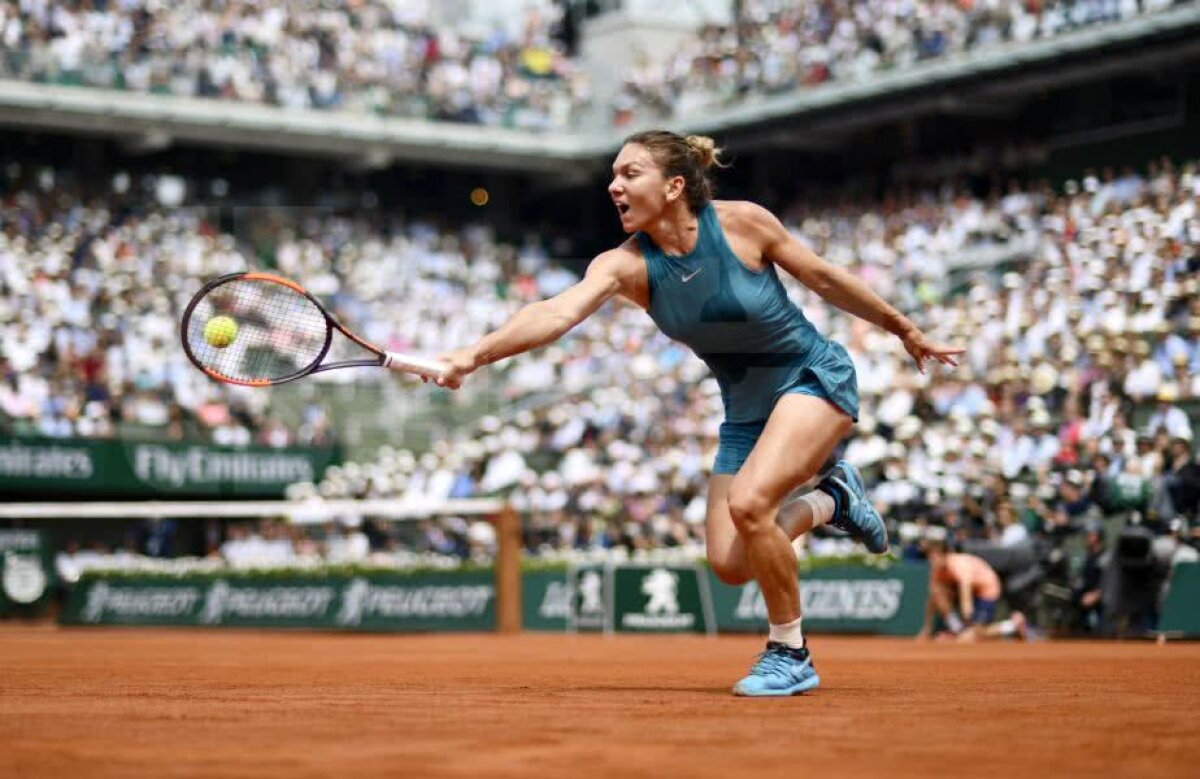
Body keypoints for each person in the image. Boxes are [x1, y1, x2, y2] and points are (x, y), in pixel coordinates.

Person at [434, 130, 962, 696]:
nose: (613, 185)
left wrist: (903, 328)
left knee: (751, 504)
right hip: (745, 413)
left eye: (630, 173)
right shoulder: (625, 267)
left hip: (812, 379)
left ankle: (790, 651)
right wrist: (475, 353)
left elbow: (825, 278)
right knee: (732, 564)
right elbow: (555, 312)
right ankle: (832, 498)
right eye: (613, 175)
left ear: (675, 185)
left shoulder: (742, 224)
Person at [918, 539, 1027, 642]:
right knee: (937, 591)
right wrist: (926, 628)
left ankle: (1013, 625)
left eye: (935, 556)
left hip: (987, 590)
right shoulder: (936, 569)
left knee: (974, 635)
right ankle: (957, 628)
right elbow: (932, 600)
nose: (931, 560)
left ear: (944, 555)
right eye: (930, 556)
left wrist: (968, 626)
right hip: (969, 592)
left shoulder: (959, 565)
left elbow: (966, 596)